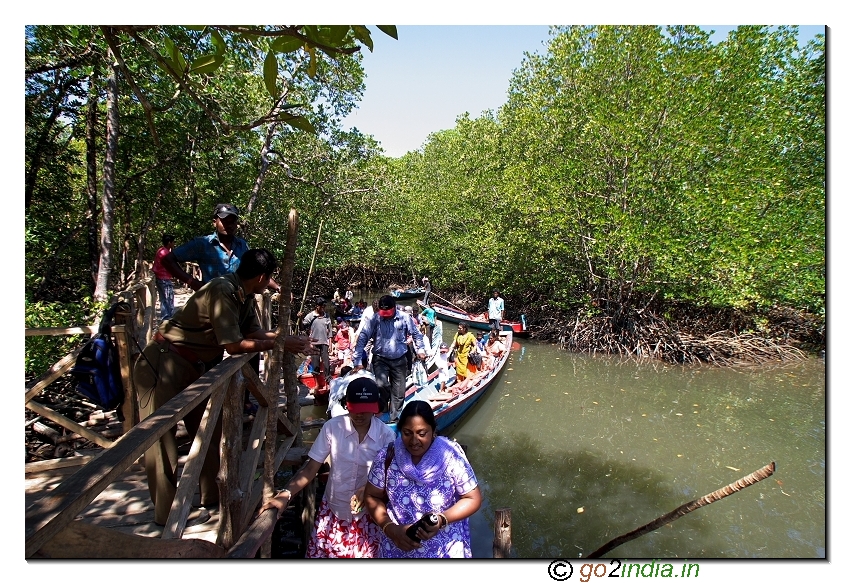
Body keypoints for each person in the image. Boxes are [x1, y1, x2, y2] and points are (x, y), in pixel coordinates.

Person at [132, 249, 312, 526]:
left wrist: (287, 338)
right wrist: (280, 344)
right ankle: (166, 514)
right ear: (263, 276)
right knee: (160, 439)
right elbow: (233, 345)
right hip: (164, 362)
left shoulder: (245, 295)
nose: (270, 283)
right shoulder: (222, 290)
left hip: (196, 368)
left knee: (208, 432)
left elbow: (253, 333)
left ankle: (211, 497)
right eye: (270, 278)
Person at [261, 377, 395, 558]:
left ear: (376, 409)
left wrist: (367, 490)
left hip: (369, 517)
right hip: (334, 511)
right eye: (356, 409)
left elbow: (391, 478)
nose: (360, 415)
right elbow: (310, 469)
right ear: (347, 405)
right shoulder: (333, 428)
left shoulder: (386, 436)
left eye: (366, 410)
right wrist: (285, 495)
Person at [364, 401, 482, 558]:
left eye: (421, 433)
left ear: (433, 431)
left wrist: (442, 519)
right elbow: (371, 496)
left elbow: (472, 498)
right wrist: (391, 529)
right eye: (407, 433)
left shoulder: (451, 456)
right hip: (396, 549)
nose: (414, 441)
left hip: (445, 550)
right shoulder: (387, 456)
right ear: (400, 431)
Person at [162, 203, 281, 294]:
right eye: (224, 221)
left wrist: (277, 287)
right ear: (215, 222)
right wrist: (193, 283)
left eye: (232, 222)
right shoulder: (202, 243)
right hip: (211, 301)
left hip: (237, 302)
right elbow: (167, 260)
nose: (229, 225)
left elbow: (255, 270)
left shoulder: (242, 245)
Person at [353, 295, 426, 424]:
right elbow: (363, 337)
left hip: (399, 359)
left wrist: (420, 349)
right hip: (380, 359)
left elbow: (416, 334)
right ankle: (383, 407)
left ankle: (394, 420)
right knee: (381, 385)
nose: (385, 315)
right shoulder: (375, 319)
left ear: (394, 308)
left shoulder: (404, 318)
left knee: (398, 393)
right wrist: (358, 360)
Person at [302, 298, 332, 379]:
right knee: (315, 365)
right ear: (317, 306)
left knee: (326, 362)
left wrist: (330, 344)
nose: (323, 307)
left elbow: (330, 331)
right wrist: (300, 318)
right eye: (322, 306)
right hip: (314, 343)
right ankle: (317, 382)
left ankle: (328, 378)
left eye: (324, 306)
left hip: (324, 343)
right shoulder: (310, 316)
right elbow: (302, 327)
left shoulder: (327, 316)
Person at [152, 234, 176, 320]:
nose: (174, 244)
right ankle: (169, 318)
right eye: (173, 242)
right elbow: (173, 262)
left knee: (163, 299)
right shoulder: (165, 253)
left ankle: (165, 318)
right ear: (169, 242)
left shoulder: (161, 250)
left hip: (160, 278)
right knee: (169, 299)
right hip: (164, 279)